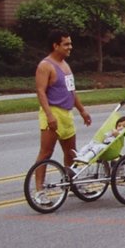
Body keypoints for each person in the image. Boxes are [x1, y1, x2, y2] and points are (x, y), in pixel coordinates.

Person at [31, 30, 92, 202]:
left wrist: (82, 111)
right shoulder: (45, 66)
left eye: (70, 43)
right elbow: (41, 92)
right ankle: (39, 191)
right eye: (66, 44)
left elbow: (71, 91)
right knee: (46, 153)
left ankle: (72, 184)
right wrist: (49, 115)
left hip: (67, 114)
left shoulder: (65, 65)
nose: (70, 47)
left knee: (71, 153)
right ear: (55, 45)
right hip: (52, 112)